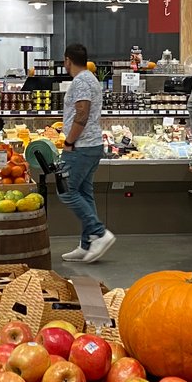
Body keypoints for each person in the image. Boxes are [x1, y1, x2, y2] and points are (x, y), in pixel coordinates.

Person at [58, 43, 114, 264]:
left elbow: (81, 114)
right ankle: (86, 244)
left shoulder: (80, 81)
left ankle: (100, 233)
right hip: (92, 145)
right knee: (84, 192)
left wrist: (69, 141)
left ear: (68, 60)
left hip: (80, 146)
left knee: (66, 191)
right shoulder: (91, 78)